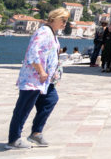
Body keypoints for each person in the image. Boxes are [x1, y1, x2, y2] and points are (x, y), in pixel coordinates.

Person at [6, 8, 69, 149]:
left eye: (66, 21)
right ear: (54, 18)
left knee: (51, 99)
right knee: (23, 107)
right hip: (33, 78)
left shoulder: (52, 34)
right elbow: (32, 52)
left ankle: (36, 133)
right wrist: (41, 71)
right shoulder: (43, 32)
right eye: (63, 20)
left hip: (45, 80)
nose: (65, 24)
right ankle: (14, 139)